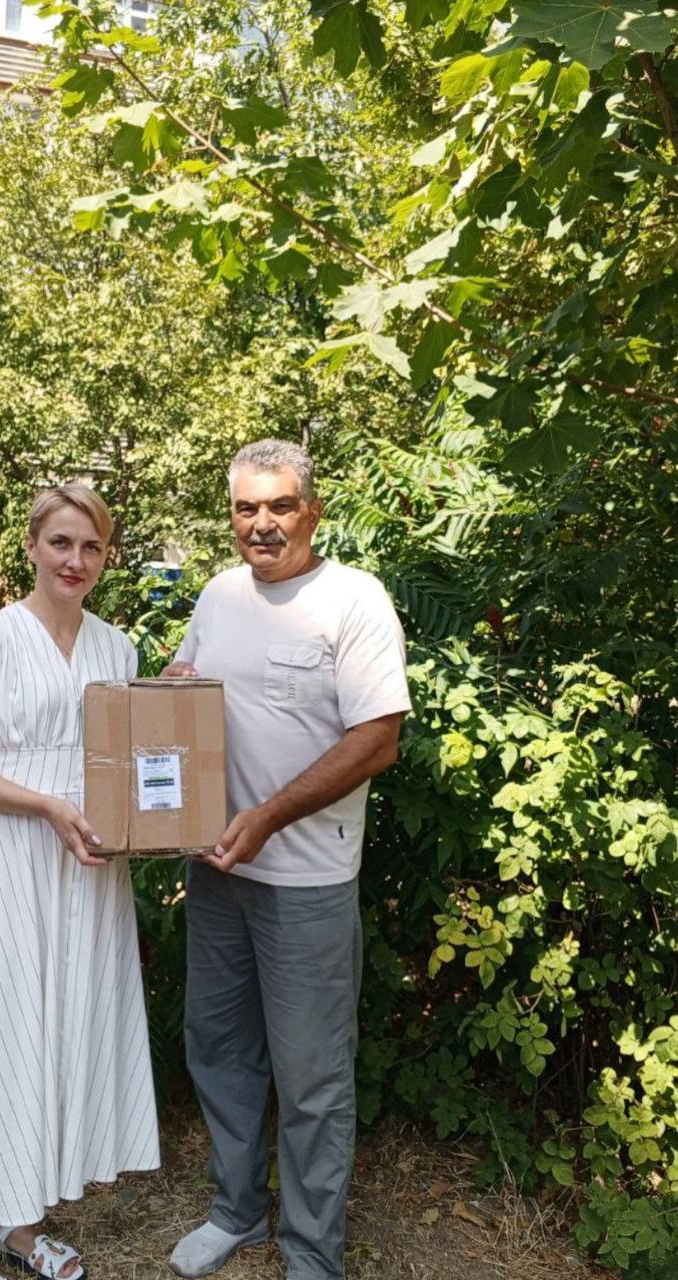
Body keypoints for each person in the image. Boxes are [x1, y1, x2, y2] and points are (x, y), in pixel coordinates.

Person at [163, 439, 411, 1280]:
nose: (260, 524)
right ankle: (234, 1213)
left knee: (310, 1078)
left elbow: (377, 738)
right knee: (218, 1048)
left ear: (312, 510)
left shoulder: (353, 599)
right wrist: (172, 687)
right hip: (216, 870)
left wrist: (267, 817)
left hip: (306, 879)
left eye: (278, 506)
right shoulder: (219, 594)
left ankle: (310, 1253)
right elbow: (189, 691)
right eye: (245, 508)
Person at [0, 485, 160, 1280]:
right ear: (31, 547)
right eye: (61, 542)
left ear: (106, 557)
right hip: (3, 863)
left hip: (84, 871)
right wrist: (47, 805)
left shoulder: (117, 649)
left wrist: (174, 701)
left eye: (91, 547)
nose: (75, 561)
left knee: (53, 1035)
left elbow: (133, 760)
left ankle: (19, 1220)